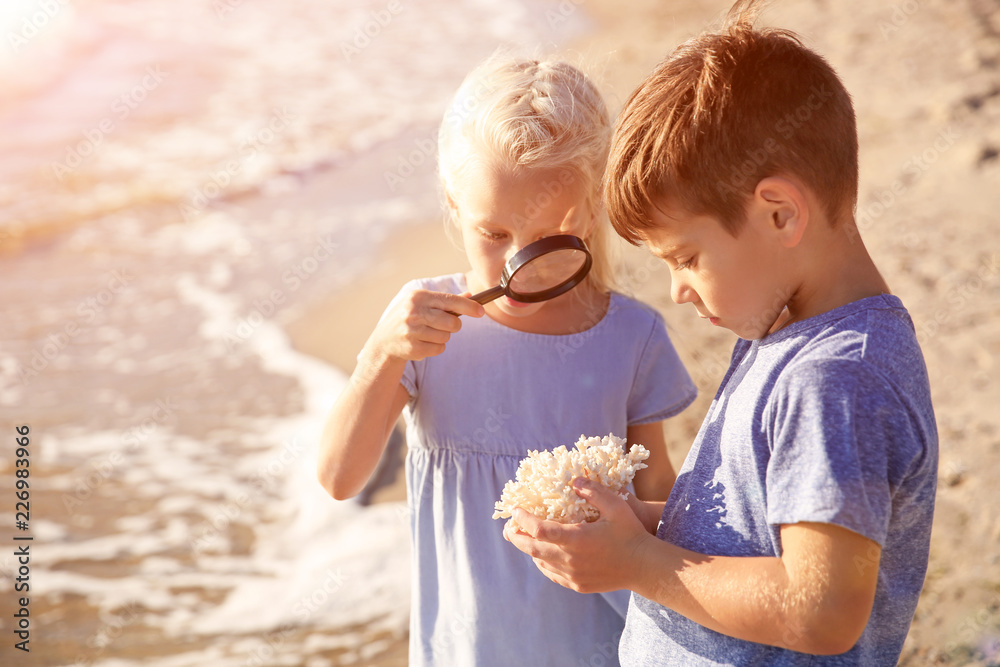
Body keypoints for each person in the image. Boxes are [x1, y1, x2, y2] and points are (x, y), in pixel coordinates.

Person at [505, 1, 939, 664]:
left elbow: (821, 609)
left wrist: (643, 564)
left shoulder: (835, 379)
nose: (678, 289)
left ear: (779, 214)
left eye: (686, 258)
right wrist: (630, 532)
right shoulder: (780, 332)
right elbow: (751, 532)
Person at [317, 54, 698, 665]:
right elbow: (340, 478)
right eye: (493, 235)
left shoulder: (630, 337)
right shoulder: (427, 334)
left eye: (547, 237)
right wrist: (378, 355)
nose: (518, 263)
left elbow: (662, 501)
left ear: (593, 206)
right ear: (452, 202)